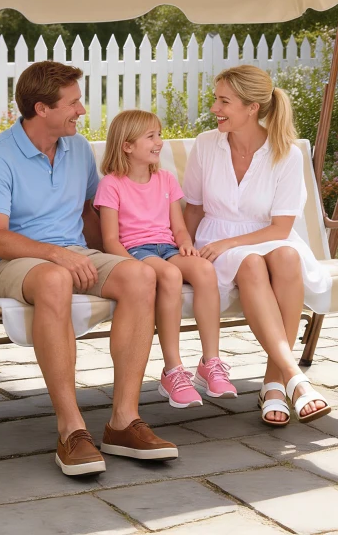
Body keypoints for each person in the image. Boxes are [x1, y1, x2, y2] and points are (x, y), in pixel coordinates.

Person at [0, 61, 178, 477]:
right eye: (73, 102)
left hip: (74, 252)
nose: (81, 111)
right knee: (54, 277)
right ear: (41, 108)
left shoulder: (78, 148)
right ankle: (71, 428)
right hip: (12, 263)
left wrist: (124, 255)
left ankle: (123, 421)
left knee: (139, 275)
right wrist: (56, 254)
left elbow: (90, 214)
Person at [182, 65, 332, 427]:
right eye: (216, 100)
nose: (215, 108)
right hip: (215, 241)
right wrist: (182, 246)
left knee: (288, 256)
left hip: (267, 237)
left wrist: (231, 242)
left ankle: (275, 380)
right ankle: (293, 379)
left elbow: (281, 227)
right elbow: (194, 208)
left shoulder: (287, 153)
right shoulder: (206, 144)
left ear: (251, 108)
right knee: (250, 263)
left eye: (224, 101)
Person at [94, 110, 237, 409]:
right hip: (135, 252)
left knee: (203, 269)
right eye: (151, 136)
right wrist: (133, 266)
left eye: (159, 134)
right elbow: (109, 240)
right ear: (127, 145)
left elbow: (179, 228)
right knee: (170, 276)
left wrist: (185, 244)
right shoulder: (112, 184)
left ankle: (211, 361)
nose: (160, 142)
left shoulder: (166, 179)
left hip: (168, 249)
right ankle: (173, 370)